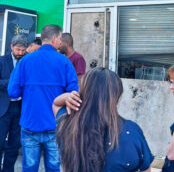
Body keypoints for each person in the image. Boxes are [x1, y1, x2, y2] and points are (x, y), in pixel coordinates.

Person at [53, 67, 154, 172]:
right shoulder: (132, 131)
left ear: (83, 92)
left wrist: (67, 97)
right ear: (117, 97)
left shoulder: (67, 124)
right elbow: (146, 169)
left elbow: (55, 104)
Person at [8, 25, 78, 172]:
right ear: (53, 39)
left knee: (29, 168)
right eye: (60, 38)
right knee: (54, 168)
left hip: (30, 124)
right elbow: (73, 94)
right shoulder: (65, 62)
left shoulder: (25, 61)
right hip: (56, 125)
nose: (60, 42)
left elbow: (13, 92)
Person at [0, 35, 27, 172]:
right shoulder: (2, 61)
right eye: (18, 50)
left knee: (14, 144)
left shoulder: (27, 61)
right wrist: (13, 82)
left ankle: (8, 170)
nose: (20, 53)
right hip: (3, 108)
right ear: (11, 47)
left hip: (20, 107)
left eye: (23, 50)